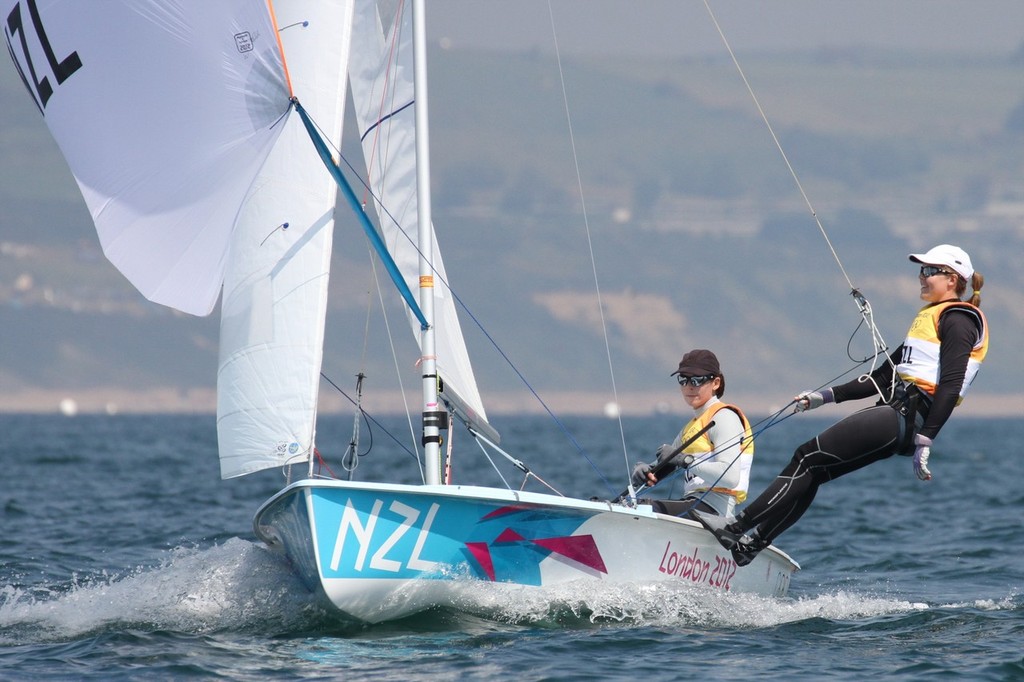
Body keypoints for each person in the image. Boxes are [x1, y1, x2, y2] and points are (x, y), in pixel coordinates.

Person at [695, 244, 989, 566]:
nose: (922, 276)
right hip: (898, 414)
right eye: (921, 270)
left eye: (931, 271)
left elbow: (950, 383)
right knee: (815, 471)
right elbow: (880, 376)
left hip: (907, 416)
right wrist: (823, 397)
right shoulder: (930, 318)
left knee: (805, 457)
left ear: (952, 280)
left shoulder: (959, 319)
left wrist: (926, 439)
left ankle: (736, 528)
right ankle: (750, 546)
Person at [632, 349, 755, 518]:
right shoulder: (691, 428)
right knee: (633, 505)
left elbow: (730, 476)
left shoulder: (724, 417)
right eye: (684, 379)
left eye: (697, 380)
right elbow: (665, 464)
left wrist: (685, 460)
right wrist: (645, 470)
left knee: (642, 508)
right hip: (694, 505)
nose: (689, 386)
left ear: (716, 383)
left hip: (715, 510)